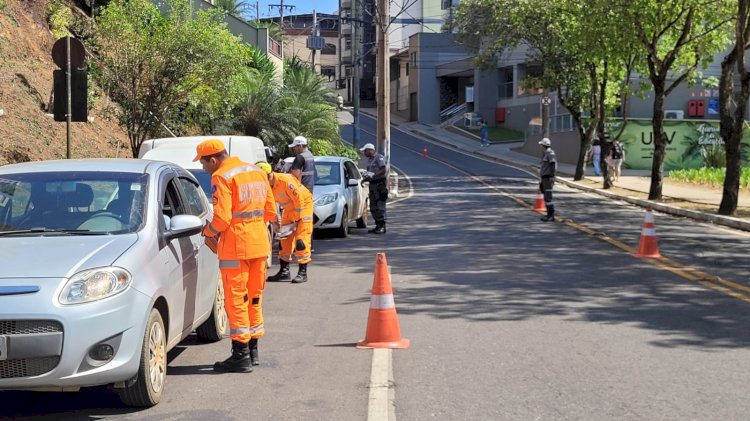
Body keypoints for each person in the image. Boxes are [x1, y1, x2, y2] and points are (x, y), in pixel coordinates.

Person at [195, 139, 277, 373]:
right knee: (254, 298)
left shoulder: (222, 176)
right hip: (259, 244)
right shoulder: (257, 171)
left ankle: (240, 355)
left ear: (213, 159)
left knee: (236, 300)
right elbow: (270, 211)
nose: (203, 168)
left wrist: (207, 232)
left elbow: (221, 219)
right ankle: (253, 350)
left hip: (236, 248)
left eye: (203, 163)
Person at [257, 161, 314, 284]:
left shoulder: (285, 181)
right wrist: (275, 224)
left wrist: (297, 220)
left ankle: (302, 273)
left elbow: (299, 200)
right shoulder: (265, 186)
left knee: (301, 240)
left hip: (303, 207)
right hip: (289, 210)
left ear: (268, 176)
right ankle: (284, 272)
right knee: (284, 240)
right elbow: (269, 206)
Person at [360, 143, 388, 234]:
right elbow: (371, 174)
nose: (364, 153)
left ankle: (382, 226)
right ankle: (377, 225)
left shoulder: (378, 157)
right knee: (373, 206)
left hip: (379, 184)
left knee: (380, 205)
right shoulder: (370, 160)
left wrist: (374, 175)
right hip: (372, 185)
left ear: (370, 150)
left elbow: (383, 169)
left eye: (365, 151)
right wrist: (365, 179)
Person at [538, 137, 557, 222]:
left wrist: (552, 176)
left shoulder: (550, 153)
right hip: (544, 178)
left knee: (548, 197)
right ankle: (548, 214)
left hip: (548, 178)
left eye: (541, 145)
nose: (540, 146)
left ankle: (551, 215)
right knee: (546, 196)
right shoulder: (546, 154)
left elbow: (552, 164)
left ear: (544, 145)